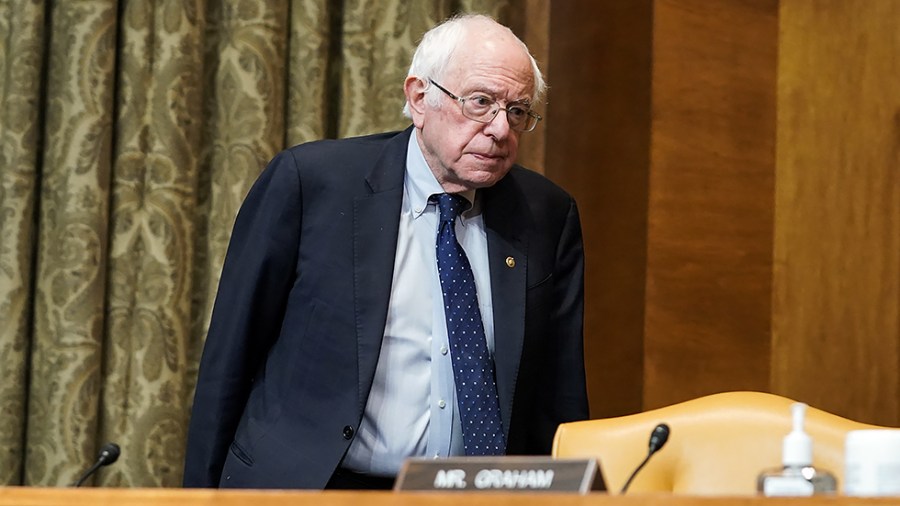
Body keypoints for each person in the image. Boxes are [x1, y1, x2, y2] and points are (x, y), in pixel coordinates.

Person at [183, 13, 588, 490]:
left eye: (517, 111)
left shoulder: (547, 214)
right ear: (419, 97)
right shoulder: (310, 184)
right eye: (480, 103)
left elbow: (558, 398)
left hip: (474, 495)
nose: (501, 129)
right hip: (315, 487)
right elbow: (231, 358)